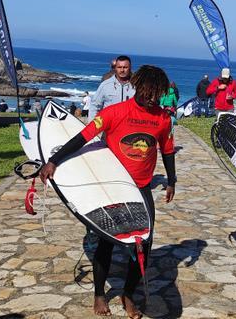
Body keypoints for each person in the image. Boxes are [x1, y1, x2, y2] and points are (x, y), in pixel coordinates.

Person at [39, 65, 176, 318]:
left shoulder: (163, 118)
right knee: (107, 242)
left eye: (155, 94)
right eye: (147, 92)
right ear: (137, 86)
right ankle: (100, 294)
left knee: (143, 245)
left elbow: (167, 150)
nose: (150, 98)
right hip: (112, 187)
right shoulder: (116, 112)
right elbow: (83, 137)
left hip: (142, 187)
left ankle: (127, 294)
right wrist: (54, 161)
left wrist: (172, 180)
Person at [88, 56, 135, 120]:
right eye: (119, 67)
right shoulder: (105, 85)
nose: (122, 70)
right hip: (109, 127)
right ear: (115, 68)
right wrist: (93, 127)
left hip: (130, 127)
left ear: (130, 68)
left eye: (125, 67)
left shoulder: (137, 86)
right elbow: (95, 106)